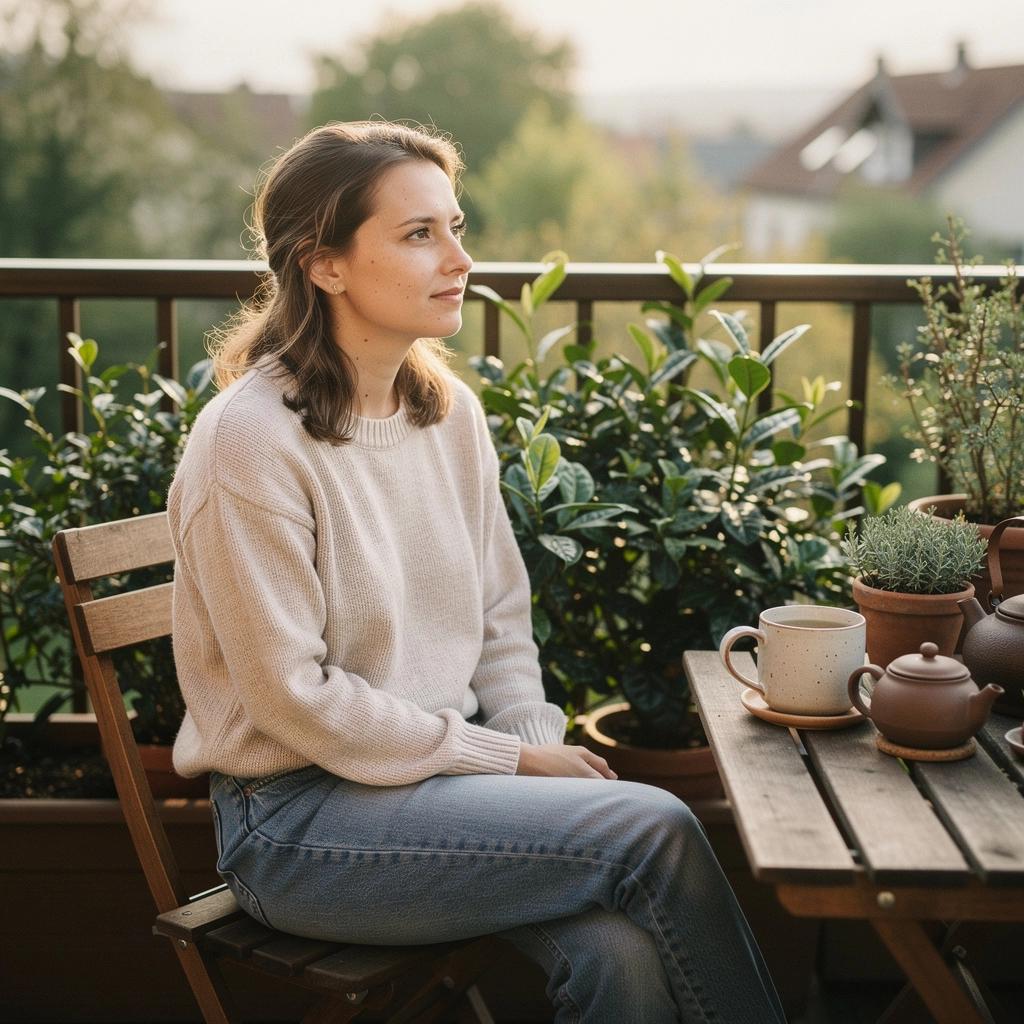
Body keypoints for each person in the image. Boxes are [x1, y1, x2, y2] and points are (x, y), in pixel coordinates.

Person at [167, 120, 784, 1024]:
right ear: (324, 263)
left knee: (621, 958)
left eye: (457, 227)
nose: (459, 258)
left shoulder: (446, 412)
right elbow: (291, 695)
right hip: (297, 826)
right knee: (653, 826)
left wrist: (527, 743)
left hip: (441, 794)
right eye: (419, 234)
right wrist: (515, 759)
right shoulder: (249, 443)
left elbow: (500, 614)